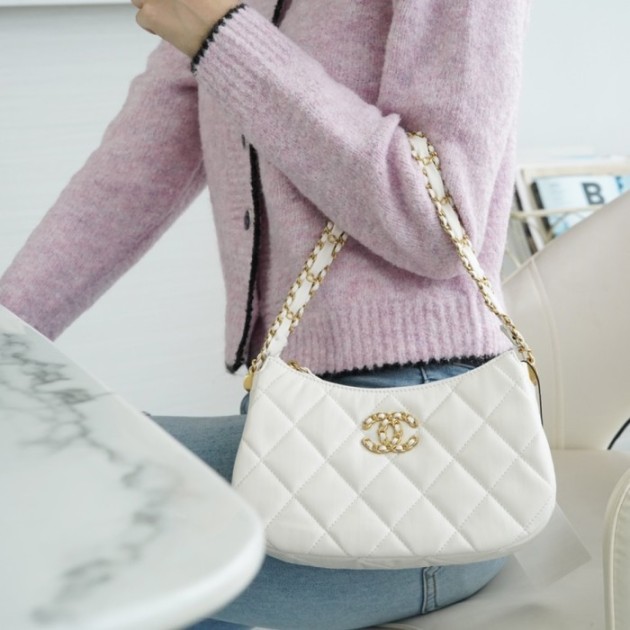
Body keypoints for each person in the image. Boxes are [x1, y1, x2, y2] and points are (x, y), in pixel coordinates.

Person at [0, 1, 533, 628]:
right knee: (41, 473)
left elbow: (439, 220)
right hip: (291, 423)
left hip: (429, 467)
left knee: (45, 509)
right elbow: (123, 185)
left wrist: (223, 37)